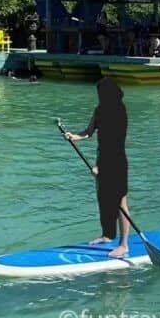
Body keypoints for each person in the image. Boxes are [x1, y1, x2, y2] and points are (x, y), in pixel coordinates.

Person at [63, 77, 131, 258]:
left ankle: (124, 245)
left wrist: (101, 168)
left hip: (115, 160)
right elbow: (88, 132)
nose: (99, 96)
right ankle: (107, 235)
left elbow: (114, 142)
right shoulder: (99, 110)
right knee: (104, 200)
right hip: (103, 158)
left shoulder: (119, 111)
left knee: (119, 202)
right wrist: (73, 136)